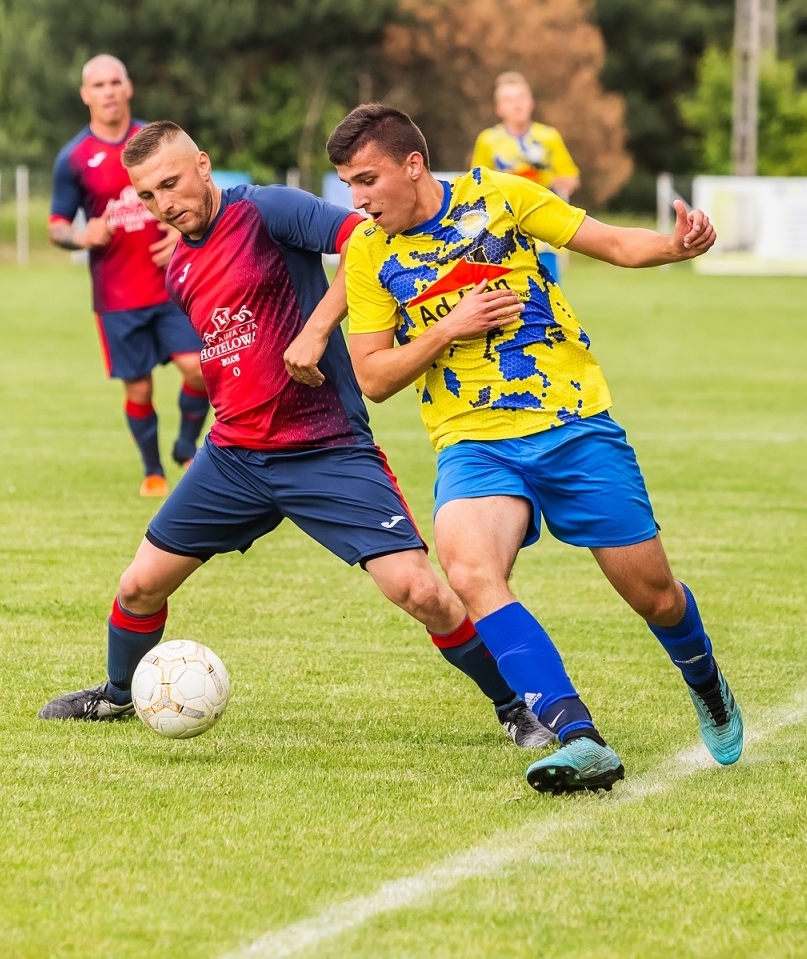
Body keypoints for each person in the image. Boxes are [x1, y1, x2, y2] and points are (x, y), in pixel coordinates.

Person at [37, 121, 555, 751]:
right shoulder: (179, 268)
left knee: (420, 590)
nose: (162, 203)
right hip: (235, 457)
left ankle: (515, 706)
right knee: (139, 586)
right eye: (147, 195)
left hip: (326, 448)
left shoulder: (266, 210)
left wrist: (314, 329)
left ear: (203, 165)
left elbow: (367, 241)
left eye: (170, 184)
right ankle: (120, 693)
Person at [330, 103, 743, 795]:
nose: (358, 200)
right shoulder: (369, 253)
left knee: (655, 596)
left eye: (367, 180)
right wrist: (448, 328)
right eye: (348, 185)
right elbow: (372, 376)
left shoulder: (501, 196)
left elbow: (610, 243)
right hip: (473, 441)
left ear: (413, 165)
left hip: (572, 423)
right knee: (469, 570)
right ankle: (578, 736)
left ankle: (705, 679)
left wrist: (675, 247)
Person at [50, 55, 210, 497]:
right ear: (85, 94)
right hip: (117, 295)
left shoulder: (157, 143)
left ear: (128, 87)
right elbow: (56, 226)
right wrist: (81, 236)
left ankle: (186, 446)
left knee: (199, 370)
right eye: (99, 85)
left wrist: (181, 230)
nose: (108, 91)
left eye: (115, 82)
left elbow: (199, 194)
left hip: (173, 286)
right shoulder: (73, 158)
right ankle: (153, 471)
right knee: (139, 389)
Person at [471, 72, 581, 282]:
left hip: (545, 226)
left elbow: (571, 176)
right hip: (504, 227)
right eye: (509, 99)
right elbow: (477, 183)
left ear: (531, 102)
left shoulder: (549, 136)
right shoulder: (488, 140)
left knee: (549, 287)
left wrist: (564, 183)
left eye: (521, 97)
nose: (516, 104)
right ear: (498, 108)